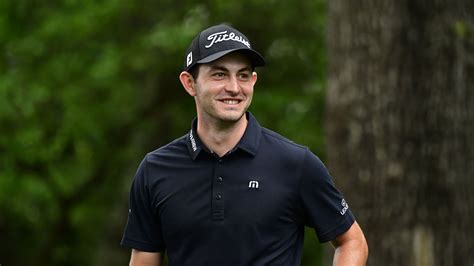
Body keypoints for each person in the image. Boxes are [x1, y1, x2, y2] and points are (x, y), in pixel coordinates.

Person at [121, 23, 368, 266]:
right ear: (189, 83)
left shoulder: (295, 163)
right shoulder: (155, 169)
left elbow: (352, 242)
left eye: (243, 75)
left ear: (254, 80)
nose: (234, 88)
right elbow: (144, 260)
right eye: (219, 74)